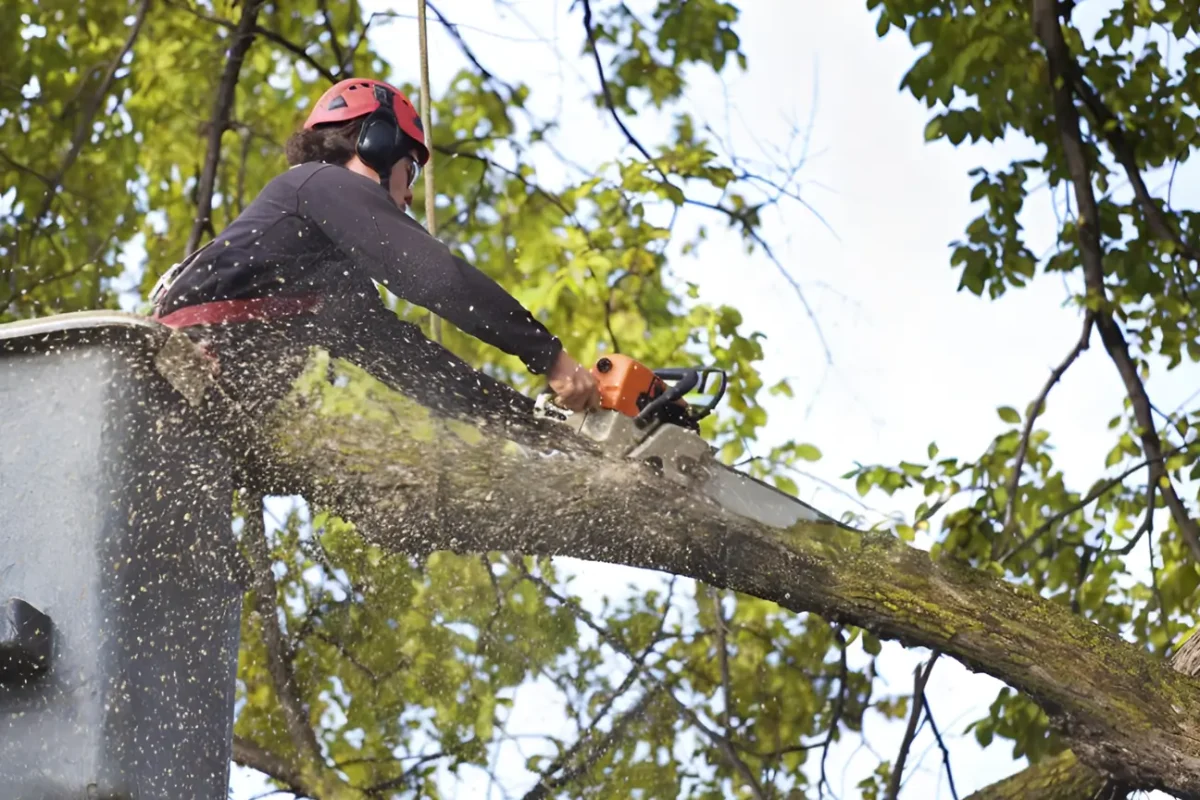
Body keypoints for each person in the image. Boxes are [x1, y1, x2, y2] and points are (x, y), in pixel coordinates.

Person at [149, 77, 601, 428]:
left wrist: (537, 426)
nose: (410, 195)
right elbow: (435, 277)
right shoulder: (316, 183)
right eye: (411, 169)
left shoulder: (329, 282)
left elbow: (414, 366)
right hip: (167, 381)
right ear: (377, 143)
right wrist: (550, 356)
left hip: (194, 418)